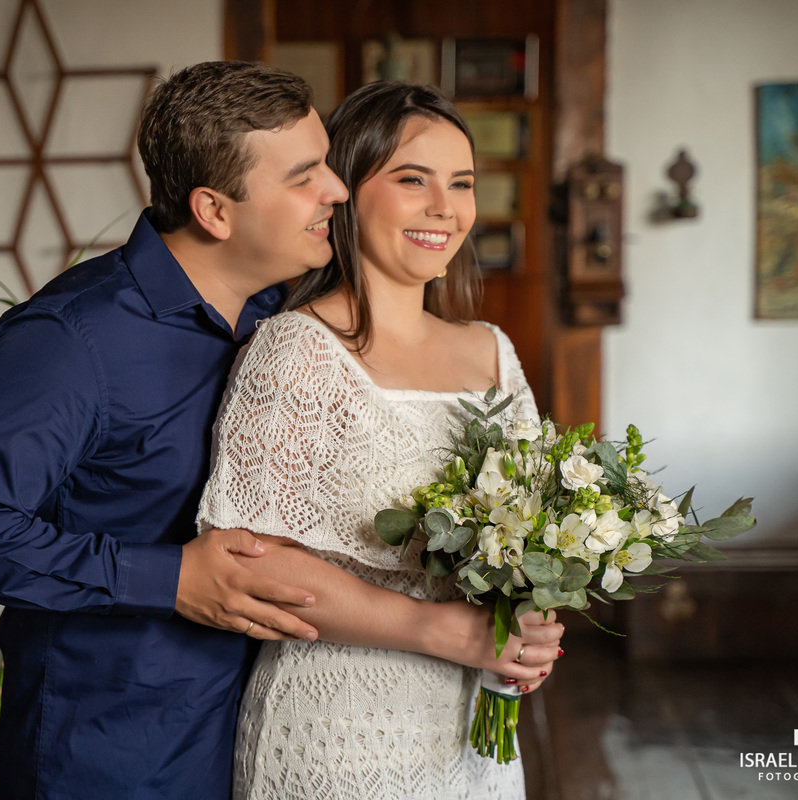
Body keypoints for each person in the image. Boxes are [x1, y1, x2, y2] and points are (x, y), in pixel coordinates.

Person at [0, 61, 348, 798]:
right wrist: (171, 578)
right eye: (305, 175)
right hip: (110, 756)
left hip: (261, 739)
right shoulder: (71, 338)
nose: (335, 189)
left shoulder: (285, 321)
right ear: (214, 210)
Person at [196, 81, 556, 799]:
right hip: (337, 733)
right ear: (347, 191)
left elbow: (541, 532)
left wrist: (535, 613)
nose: (445, 209)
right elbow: (253, 566)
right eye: (412, 179)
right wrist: (445, 632)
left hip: (475, 742)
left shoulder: (492, 352)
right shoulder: (296, 351)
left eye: (462, 183)